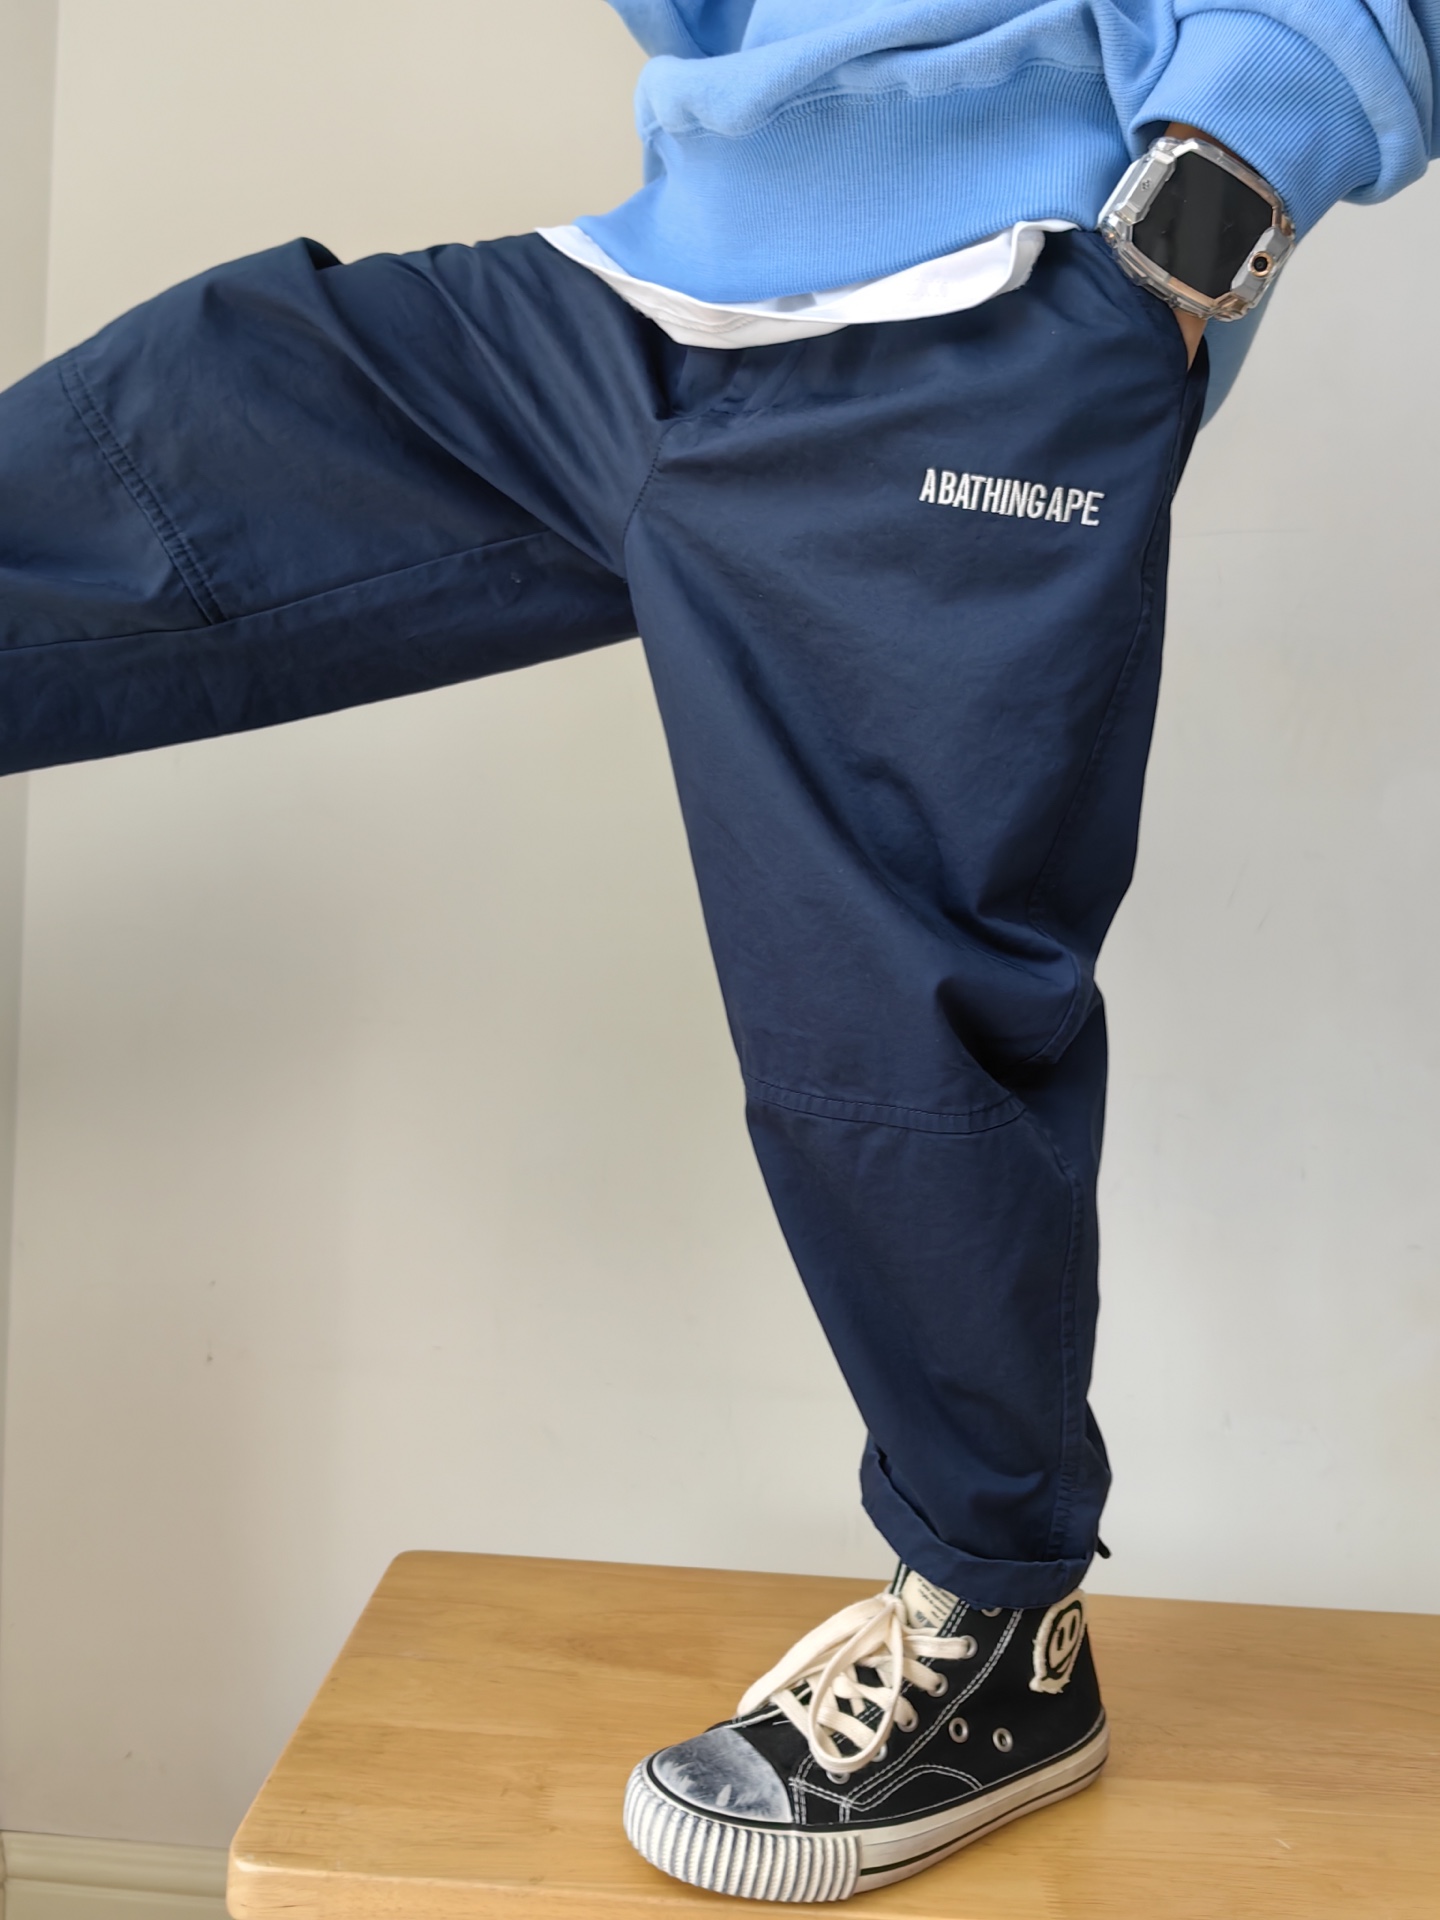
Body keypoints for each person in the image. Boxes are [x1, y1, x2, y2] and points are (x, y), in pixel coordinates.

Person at [1, 0, 1435, 1903]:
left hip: (988, 320)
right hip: (654, 289)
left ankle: (1000, 1639)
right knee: (184, 424)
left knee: (878, 1019)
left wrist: (1182, 240)